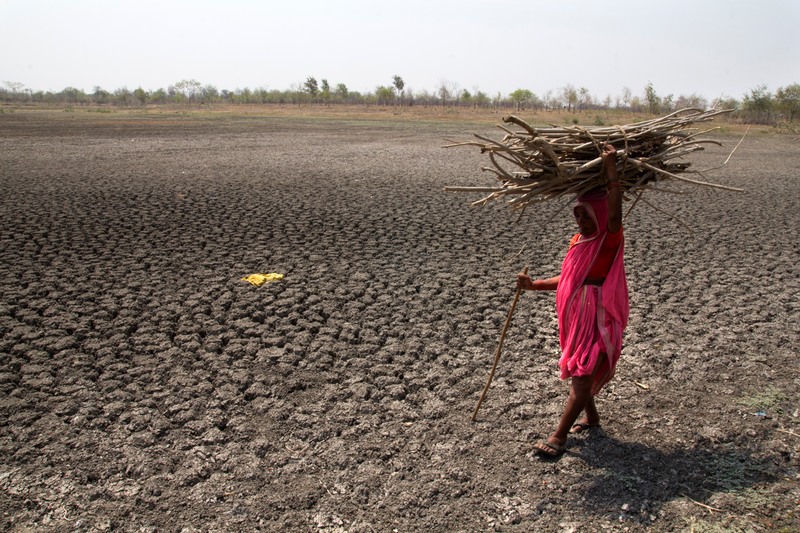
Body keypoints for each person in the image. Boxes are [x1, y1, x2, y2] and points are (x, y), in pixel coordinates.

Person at [517, 144, 629, 457]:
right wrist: (534, 284)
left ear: (602, 214)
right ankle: (592, 419)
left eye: (588, 214)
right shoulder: (578, 241)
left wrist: (611, 173)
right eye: (577, 214)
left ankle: (558, 437)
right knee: (582, 366)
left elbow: (616, 213)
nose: (581, 220)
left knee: (581, 374)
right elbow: (568, 279)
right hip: (575, 317)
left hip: (596, 316)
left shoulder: (608, 239)